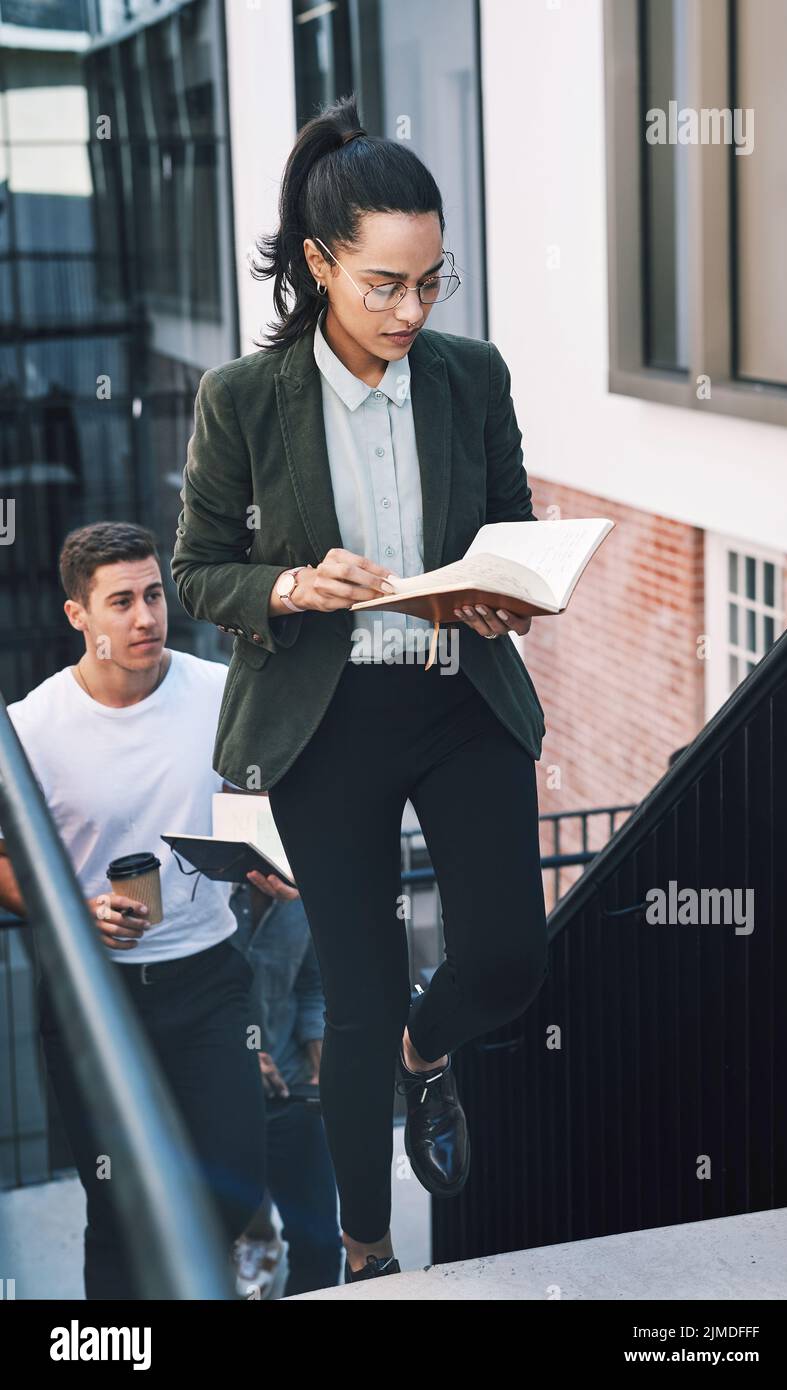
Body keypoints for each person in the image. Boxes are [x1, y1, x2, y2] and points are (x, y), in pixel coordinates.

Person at [171, 93, 549, 1283]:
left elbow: (511, 532)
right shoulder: (242, 397)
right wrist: (289, 585)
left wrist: (495, 589)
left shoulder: (467, 376)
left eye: (430, 281)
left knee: (503, 963)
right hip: (325, 721)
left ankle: (424, 1057)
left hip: (455, 696)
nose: (410, 309)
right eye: (384, 283)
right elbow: (197, 573)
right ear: (322, 263)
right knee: (355, 986)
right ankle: (366, 1250)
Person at [0, 521, 277, 1299]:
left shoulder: (218, 691)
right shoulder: (31, 728)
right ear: (77, 616)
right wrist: (71, 908)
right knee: (119, 1208)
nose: (145, 617)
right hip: (95, 997)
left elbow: (246, 798)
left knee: (232, 1183)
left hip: (209, 975)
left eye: (153, 594)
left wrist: (260, 853)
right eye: (120, 601)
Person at [229, 869, 343, 1296]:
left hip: (290, 1082)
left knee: (320, 1243)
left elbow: (311, 983)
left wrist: (320, 1063)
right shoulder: (203, 892)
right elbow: (185, 995)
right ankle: (256, 1240)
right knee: (232, 1216)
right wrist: (237, 1055)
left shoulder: (304, 890)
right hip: (218, 1082)